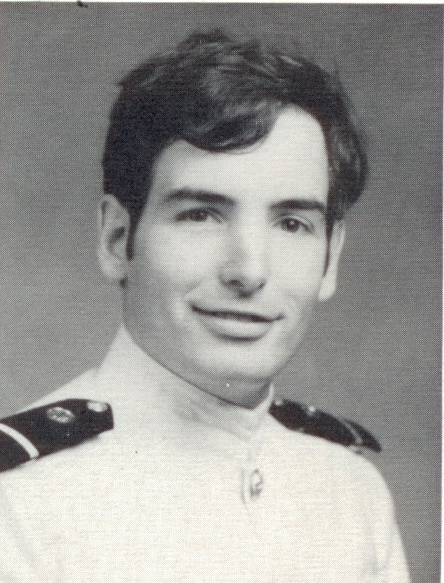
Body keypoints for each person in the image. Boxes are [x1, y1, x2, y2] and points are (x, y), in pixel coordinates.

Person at [0, 30, 409, 582]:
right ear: (118, 238)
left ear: (330, 258)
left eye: (292, 223)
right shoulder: (21, 503)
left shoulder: (352, 496)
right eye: (201, 214)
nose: (249, 271)